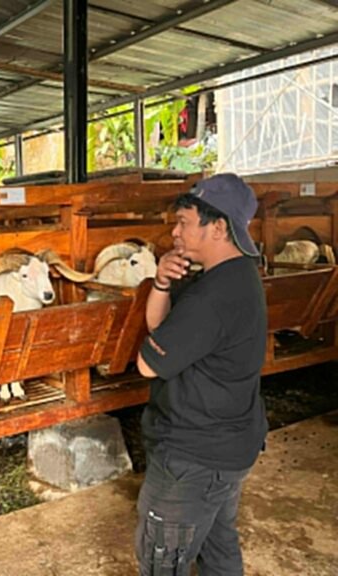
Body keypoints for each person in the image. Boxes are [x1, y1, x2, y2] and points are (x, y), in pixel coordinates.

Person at [135, 173, 268, 576]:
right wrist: (161, 283)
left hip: (193, 458)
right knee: (218, 546)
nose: (174, 232)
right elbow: (164, 332)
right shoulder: (236, 275)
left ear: (219, 226)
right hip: (228, 447)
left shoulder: (213, 298)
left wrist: (159, 344)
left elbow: (147, 362)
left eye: (184, 223)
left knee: (163, 561)